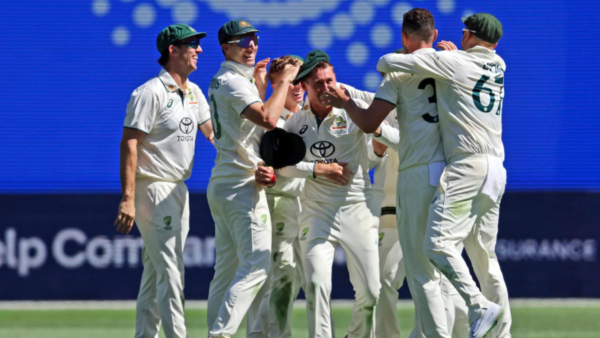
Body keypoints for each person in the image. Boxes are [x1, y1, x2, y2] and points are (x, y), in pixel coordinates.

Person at [320, 8, 472, 338]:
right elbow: (370, 108)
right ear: (434, 36)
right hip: (455, 180)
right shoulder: (457, 70)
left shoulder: (398, 73)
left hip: (418, 181)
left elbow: (371, 118)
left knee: (427, 276)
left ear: (404, 38)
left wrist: (348, 103)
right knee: (429, 274)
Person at [375, 12, 511, 338]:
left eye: (465, 32)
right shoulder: (499, 65)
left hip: (468, 169)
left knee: (436, 246)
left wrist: (439, 55)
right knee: (483, 257)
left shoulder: (455, 64)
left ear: (468, 36)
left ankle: (479, 307)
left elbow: (386, 61)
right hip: (496, 173)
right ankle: (500, 332)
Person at [258, 50, 381, 338]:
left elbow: (388, 129)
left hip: (357, 209)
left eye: (330, 81)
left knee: (371, 293)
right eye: (318, 84)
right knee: (315, 285)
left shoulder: (353, 112)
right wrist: (318, 169)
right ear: (305, 86)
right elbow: (281, 166)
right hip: (316, 212)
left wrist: (377, 134)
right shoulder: (295, 123)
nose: (326, 88)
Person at [114, 24, 213, 338]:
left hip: (178, 189)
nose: (199, 50)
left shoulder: (194, 92)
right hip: (153, 187)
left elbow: (215, 135)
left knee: (156, 270)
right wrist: (127, 197)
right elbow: (129, 143)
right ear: (173, 50)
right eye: (192, 45)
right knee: (171, 269)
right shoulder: (150, 92)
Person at [205, 19, 300, 338]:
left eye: (253, 39)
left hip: (225, 181)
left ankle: (215, 332)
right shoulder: (232, 81)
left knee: (226, 272)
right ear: (225, 48)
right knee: (257, 267)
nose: (250, 46)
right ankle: (221, 334)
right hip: (242, 185)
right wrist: (284, 80)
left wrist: (259, 86)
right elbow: (269, 119)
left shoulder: (223, 80)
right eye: (241, 41)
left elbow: (248, 125)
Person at [248, 55, 307, 338]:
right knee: (279, 280)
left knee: (294, 283)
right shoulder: (268, 120)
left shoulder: (311, 115)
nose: (297, 87)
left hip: (309, 208)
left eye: (300, 80)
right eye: (290, 81)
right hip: (279, 206)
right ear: (275, 83)